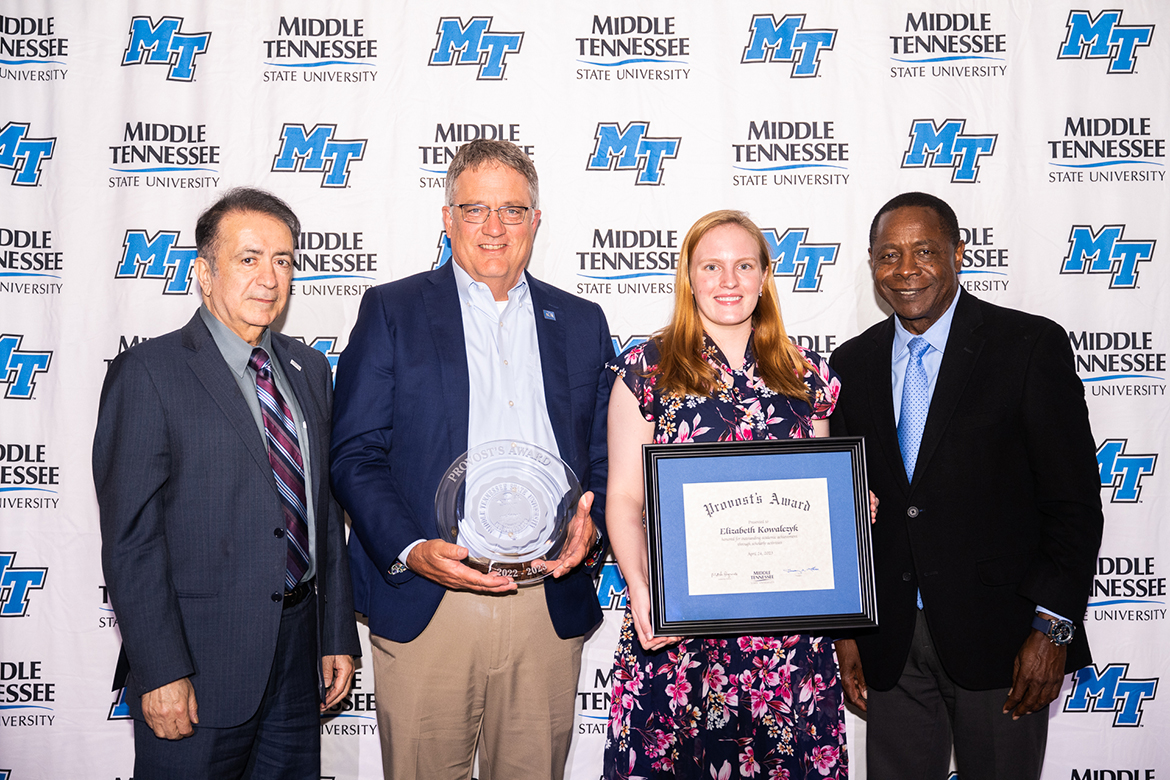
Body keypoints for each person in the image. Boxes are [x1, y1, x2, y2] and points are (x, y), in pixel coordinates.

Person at [329, 139, 612, 780]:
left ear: (536, 221)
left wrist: (588, 522)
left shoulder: (582, 320)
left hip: (545, 601)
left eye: (512, 211)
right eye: (475, 208)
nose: (493, 227)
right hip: (432, 600)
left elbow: (601, 454)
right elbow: (355, 453)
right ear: (447, 216)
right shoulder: (392, 310)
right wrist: (410, 548)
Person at [830, 192, 1104, 780]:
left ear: (959, 252)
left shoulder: (1027, 346)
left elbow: (1074, 504)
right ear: (871, 264)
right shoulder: (850, 364)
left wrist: (1052, 627)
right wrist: (849, 632)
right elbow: (847, 510)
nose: (906, 270)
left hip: (1006, 640)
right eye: (888, 255)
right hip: (891, 644)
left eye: (925, 251)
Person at [93, 187, 360, 779]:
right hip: (196, 663)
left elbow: (324, 510)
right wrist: (161, 669)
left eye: (283, 259)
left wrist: (336, 632)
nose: (269, 276)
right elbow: (130, 543)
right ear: (203, 274)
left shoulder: (308, 369)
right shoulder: (149, 374)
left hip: (297, 657)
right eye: (249, 258)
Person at [603, 210, 849, 780]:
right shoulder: (648, 370)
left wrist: (852, 512)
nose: (728, 281)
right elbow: (624, 501)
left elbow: (822, 499)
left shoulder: (807, 374)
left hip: (790, 647)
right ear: (689, 278)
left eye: (744, 265)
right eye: (711, 266)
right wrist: (643, 592)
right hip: (677, 636)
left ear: (765, 276)